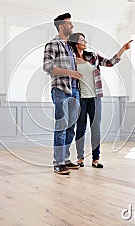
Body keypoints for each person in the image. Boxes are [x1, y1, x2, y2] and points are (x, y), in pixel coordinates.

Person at [69, 32, 132, 168]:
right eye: (82, 40)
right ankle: (80, 158)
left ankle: (95, 159)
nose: (85, 42)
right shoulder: (71, 60)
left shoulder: (93, 57)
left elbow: (109, 63)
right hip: (80, 98)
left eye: (85, 40)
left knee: (95, 128)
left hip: (95, 98)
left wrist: (122, 50)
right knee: (80, 128)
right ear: (75, 43)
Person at [43, 13, 83, 175]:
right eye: (69, 24)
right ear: (61, 26)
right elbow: (47, 67)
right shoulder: (52, 45)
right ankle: (58, 162)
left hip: (75, 91)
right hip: (61, 90)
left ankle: (65, 159)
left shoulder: (70, 47)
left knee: (70, 128)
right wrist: (69, 72)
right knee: (61, 126)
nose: (72, 26)